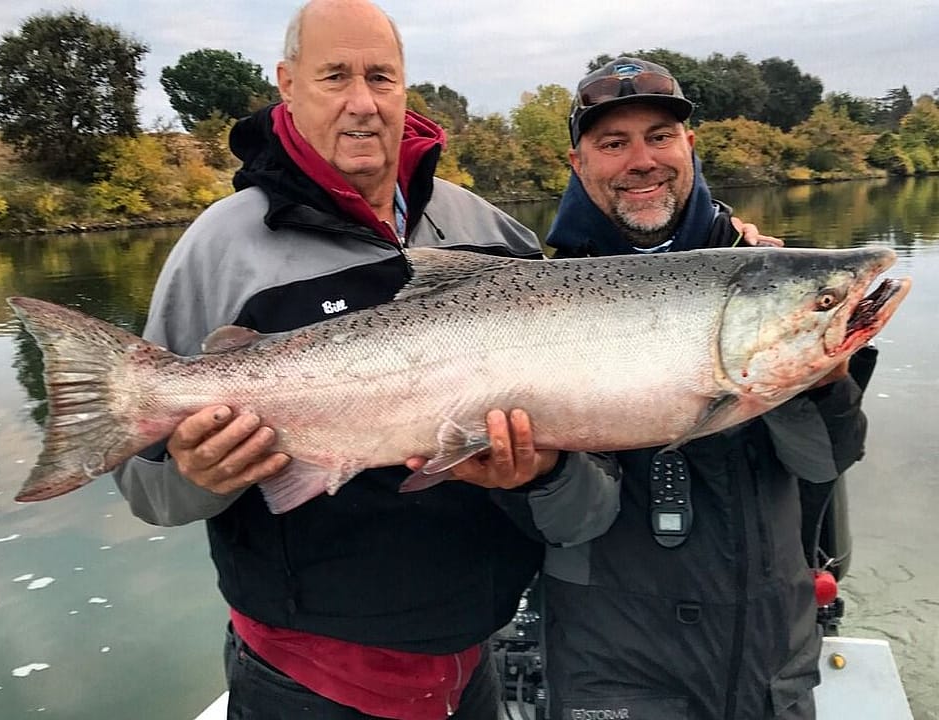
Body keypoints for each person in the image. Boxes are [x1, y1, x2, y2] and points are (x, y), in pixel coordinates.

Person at [113, 2, 620, 719]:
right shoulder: (218, 250)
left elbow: (579, 469)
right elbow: (148, 490)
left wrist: (539, 474)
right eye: (334, 76)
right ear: (287, 84)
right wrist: (198, 477)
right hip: (304, 684)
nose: (362, 102)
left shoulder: (492, 234)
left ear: (406, 89)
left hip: (475, 661)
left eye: (381, 77)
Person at [529, 57, 871, 720]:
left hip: (773, 660)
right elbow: (573, 521)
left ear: (690, 145)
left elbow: (825, 461)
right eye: (612, 142)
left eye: (659, 135)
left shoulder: (773, 280)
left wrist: (824, 379)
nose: (641, 160)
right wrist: (532, 474)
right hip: (616, 671)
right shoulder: (538, 305)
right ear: (578, 163)